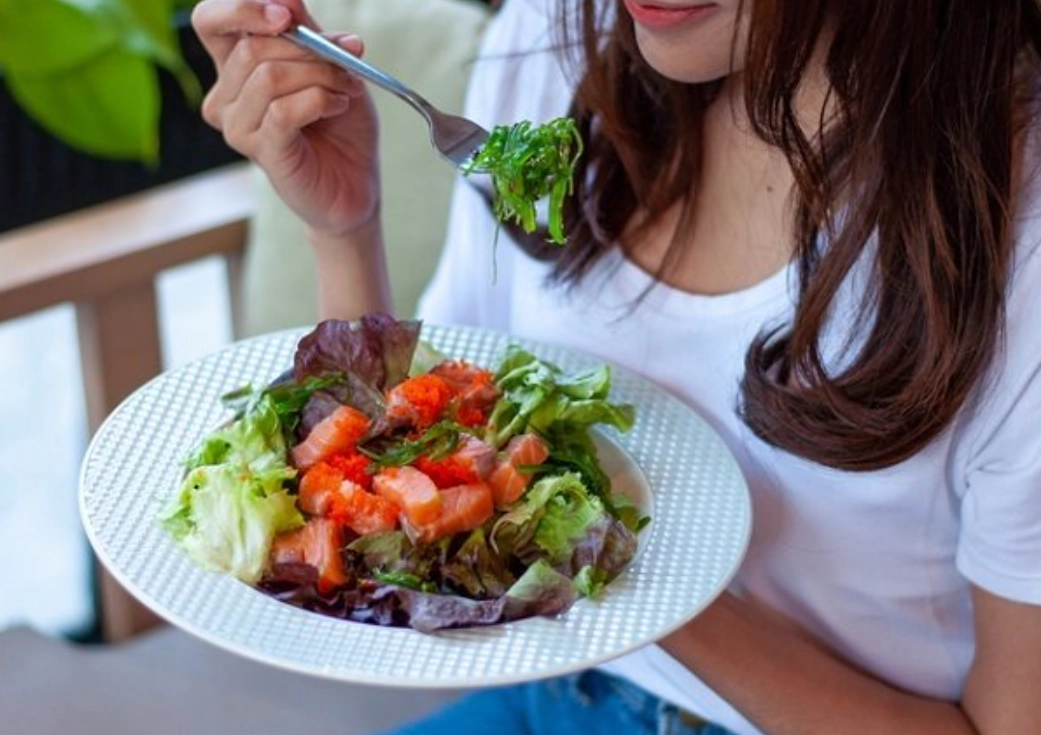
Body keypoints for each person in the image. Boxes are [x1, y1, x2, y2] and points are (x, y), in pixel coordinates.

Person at [191, 0, 1041, 732]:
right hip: (563, 690)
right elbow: (427, 438)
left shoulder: (1017, 240)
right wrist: (344, 228)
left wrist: (620, 566)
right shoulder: (555, 41)